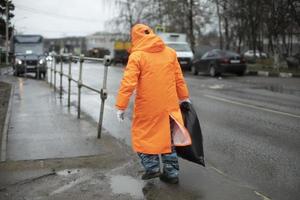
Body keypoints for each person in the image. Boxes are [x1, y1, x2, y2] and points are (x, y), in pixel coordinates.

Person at [115, 24, 191, 184]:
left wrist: (121, 106)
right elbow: (179, 78)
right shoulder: (170, 53)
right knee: (168, 140)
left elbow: (128, 83)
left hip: (147, 107)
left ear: (135, 38)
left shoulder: (137, 56)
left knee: (143, 136)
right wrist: (184, 97)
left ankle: (152, 168)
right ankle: (171, 174)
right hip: (169, 107)